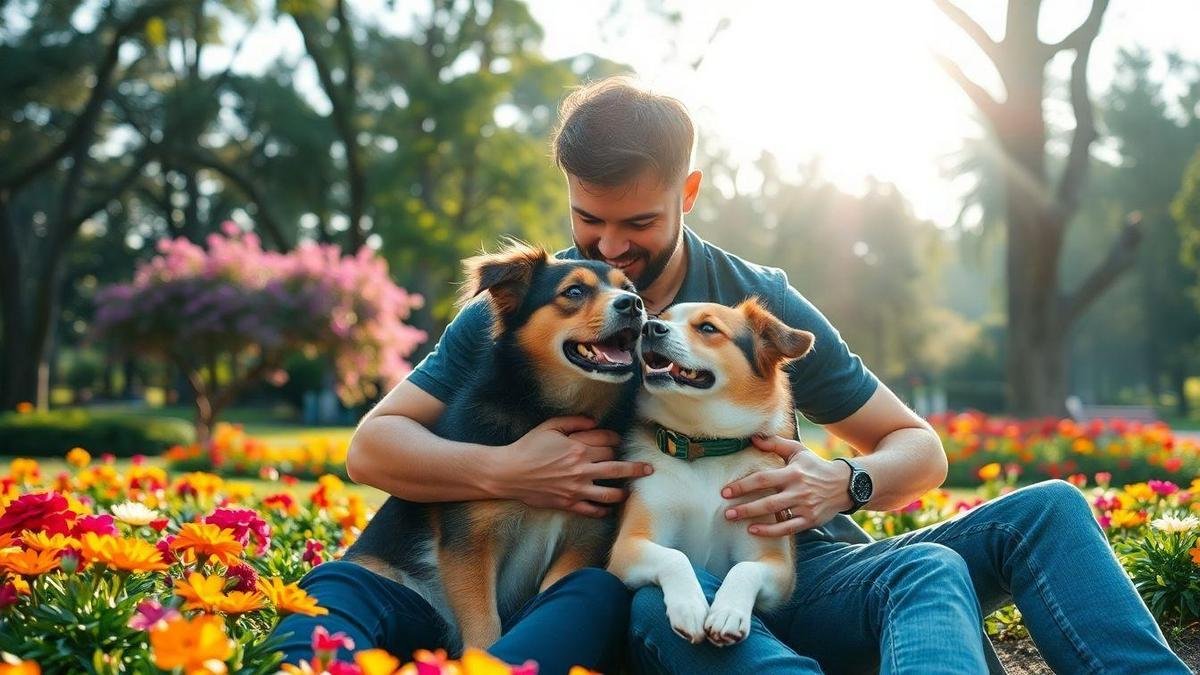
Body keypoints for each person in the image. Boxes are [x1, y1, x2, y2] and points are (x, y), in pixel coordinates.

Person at [284, 77, 1191, 674]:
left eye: (635, 221)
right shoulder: (552, 305)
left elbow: (921, 448)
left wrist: (845, 478)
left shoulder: (755, 301)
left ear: (687, 193)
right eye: (586, 218)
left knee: (1048, 512)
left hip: (806, 566)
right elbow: (377, 443)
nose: (608, 247)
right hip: (662, 591)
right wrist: (511, 468)